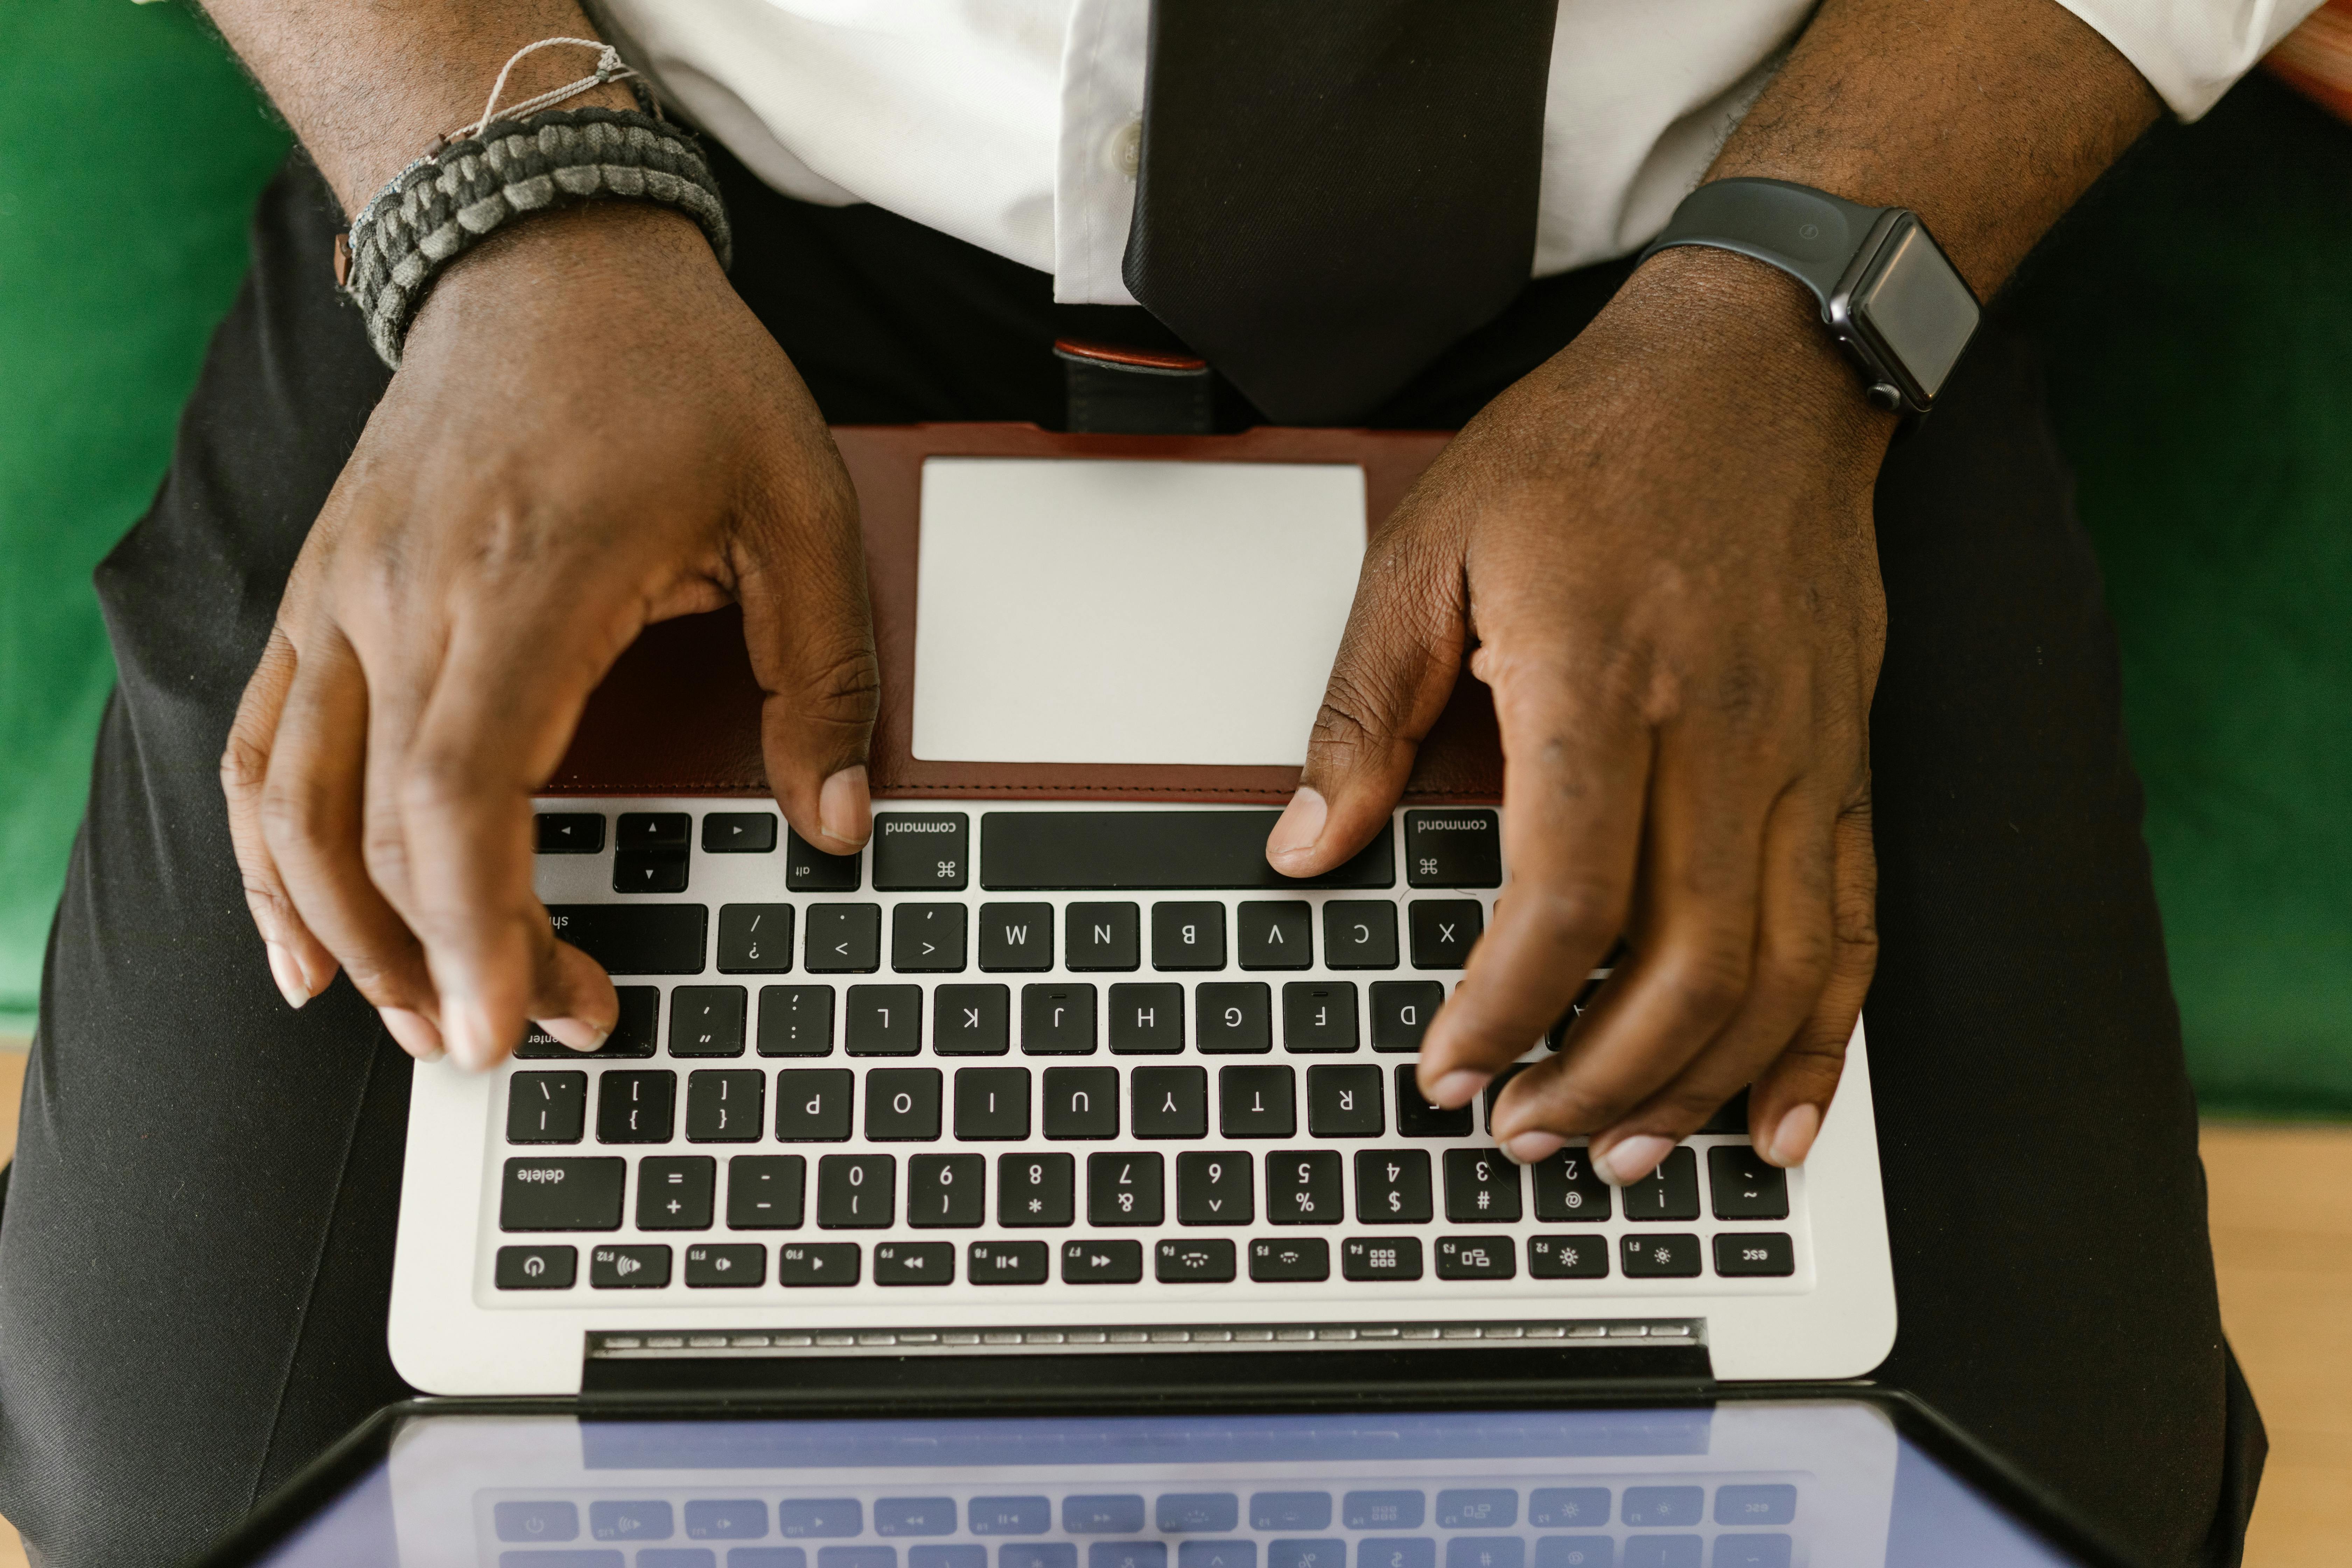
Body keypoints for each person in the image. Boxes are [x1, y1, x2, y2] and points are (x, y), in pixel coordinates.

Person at [0, 1, 2301, 1563]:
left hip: (1729, 244)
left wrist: (1813, 296)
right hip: (620, 171)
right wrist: (494, 201)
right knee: (188, 1490)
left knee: (2056, 1504)